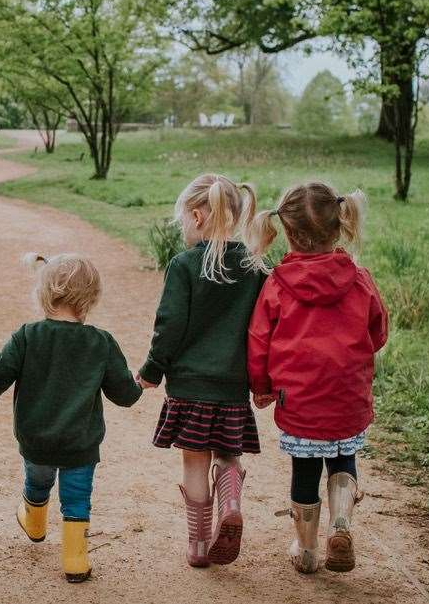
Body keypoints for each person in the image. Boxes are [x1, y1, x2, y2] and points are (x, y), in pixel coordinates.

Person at [245, 182, 388, 574]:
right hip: (347, 396)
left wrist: (261, 387)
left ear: (287, 232)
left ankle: (307, 550)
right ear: (340, 225)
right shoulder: (359, 279)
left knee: (305, 470)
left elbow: (259, 339)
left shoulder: (277, 284)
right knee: (344, 458)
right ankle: (341, 524)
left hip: (301, 399)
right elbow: (378, 332)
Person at [0, 253, 142, 583]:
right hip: (79, 443)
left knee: (37, 483)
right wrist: (136, 385)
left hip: (36, 439)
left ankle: (35, 524)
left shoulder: (27, 335)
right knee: (77, 498)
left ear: (45, 293)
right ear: (90, 299)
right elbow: (122, 394)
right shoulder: (101, 342)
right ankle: (75, 560)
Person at [136, 174, 267, 567]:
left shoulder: (183, 265)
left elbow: (169, 325)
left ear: (196, 215)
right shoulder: (256, 265)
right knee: (228, 455)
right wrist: (265, 380)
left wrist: (151, 370)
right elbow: (265, 329)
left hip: (190, 387)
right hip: (232, 387)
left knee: (194, 460)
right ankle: (230, 499)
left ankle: (197, 544)